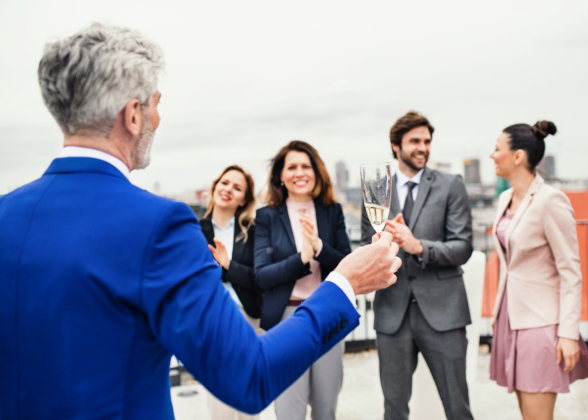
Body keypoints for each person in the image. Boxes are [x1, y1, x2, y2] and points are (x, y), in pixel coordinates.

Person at [0, 23, 403, 420]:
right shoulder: (158, 225)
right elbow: (249, 377)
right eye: (155, 104)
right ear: (133, 115)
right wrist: (345, 282)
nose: (158, 118)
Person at [361, 111, 474, 420]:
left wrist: (418, 246)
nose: (423, 147)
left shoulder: (451, 184)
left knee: (458, 408)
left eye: (427, 141)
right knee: (394, 409)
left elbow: (463, 246)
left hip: (444, 314)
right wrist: (377, 250)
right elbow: (362, 246)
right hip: (392, 315)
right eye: (415, 141)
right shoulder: (375, 189)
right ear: (396, 146)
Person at [489, 121, 588, 419]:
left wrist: (568, 334)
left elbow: (571, 272)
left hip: (541, 323)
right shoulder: (503, 199)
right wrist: (499, 312)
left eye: (497, 149)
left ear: (518, 156)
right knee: (526, 413)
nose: (492, 155)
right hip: (511, 318)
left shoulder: (551, 200)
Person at [254, 141, 351, 420]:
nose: (300, 173)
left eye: (306, 166)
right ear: (280, 176)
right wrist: (302, 259)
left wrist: (319, 248)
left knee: (326, 407)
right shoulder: (267, 217)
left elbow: (346, 264)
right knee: (288, 410)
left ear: (317, 172)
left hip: (328, 316)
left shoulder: (332, 212)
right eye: (292, 167)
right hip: (286, 320)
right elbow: (262, 275)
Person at [199, 165, 263, 420]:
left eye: (237, 188)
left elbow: (259, 279)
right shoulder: (193, 230)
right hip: (212, 320)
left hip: (248, 319)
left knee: (248, 397)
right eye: (225, 183)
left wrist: (228, 266)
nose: (228, 190)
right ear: (215, 187)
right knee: (218, 397)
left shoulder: (254, 231)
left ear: (243, 199)